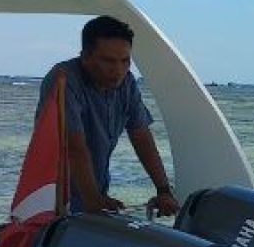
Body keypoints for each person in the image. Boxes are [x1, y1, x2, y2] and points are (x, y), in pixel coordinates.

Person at [39, 15, 178, 216]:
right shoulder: (63, 80)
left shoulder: (127, 83)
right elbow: (73, 146)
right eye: (108, 61)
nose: (118, 70)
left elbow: (141, 135)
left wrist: (163, 190)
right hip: (52, 200)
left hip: (95, 192)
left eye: (125, 61)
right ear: (85, 56)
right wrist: (92, 200)